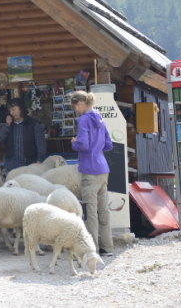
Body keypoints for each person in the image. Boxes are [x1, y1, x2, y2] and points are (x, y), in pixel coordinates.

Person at [70, 90, 114, 256]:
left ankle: (91, 249)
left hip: (89, 169)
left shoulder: (83, 120)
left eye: (75, 106)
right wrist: (97, 149)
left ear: (81, 103)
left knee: (90, 213)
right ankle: (107, 248)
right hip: (103, 168)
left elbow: (83, 145)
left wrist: (74, 142)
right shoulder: (99, 118)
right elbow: (109, 145)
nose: (75, 110)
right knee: (103, 211)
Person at [0, 98, 46, 172]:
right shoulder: (9, 125)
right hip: (11, 167)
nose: (11, 113)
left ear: (21, 109)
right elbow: (0, 140)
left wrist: (39, 162)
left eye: (13, 110)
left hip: (29, 167)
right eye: (10, 110)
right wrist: (7, 125)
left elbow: (41, 146)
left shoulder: (34, 124)